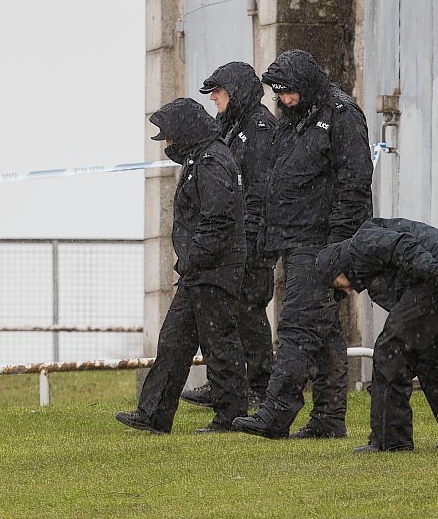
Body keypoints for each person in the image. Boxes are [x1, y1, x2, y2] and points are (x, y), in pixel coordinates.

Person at [233, 50, 373, 440]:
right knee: (322, 328)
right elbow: (278, 179)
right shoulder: (292, 118)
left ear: (307, 86)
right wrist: (267, 237)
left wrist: (338, 251)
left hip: (321, 243)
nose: (285, 100)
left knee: (296, 325)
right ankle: (329, 418)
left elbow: (355, 185)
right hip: (293, 241)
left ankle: (277, 411)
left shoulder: (342, 116)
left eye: (290, 92)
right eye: (279, 94)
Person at [116, 97, 248, 434]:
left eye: (170, 137)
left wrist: (194, 257)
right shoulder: (200, 158)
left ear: (186, 132)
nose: (168, 145)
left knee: (219, 343)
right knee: (174, 342)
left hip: (212, 270)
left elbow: (218, 220)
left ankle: (229, 416)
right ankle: (154, 414)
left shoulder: (211, 161)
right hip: (200, 270)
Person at [316, 218, 438, 454]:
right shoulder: (369, 271)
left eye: (339, 285)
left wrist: (437, 273)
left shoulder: (361, 243)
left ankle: (391, 440)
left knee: (389, 351)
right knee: (433, 357)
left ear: (337, 268)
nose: (347, 291)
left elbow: (403, 245)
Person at [179, 61, 278, 411]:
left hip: (253, 240)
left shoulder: (260, 128)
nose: (214, 99)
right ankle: (229, 384)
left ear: (235, 92)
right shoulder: (232, 124)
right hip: (236, 241)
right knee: (227, 314)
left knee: (249, 311)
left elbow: (260, 191)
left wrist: (251, 242)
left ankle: (260, 386)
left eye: (218, 92)